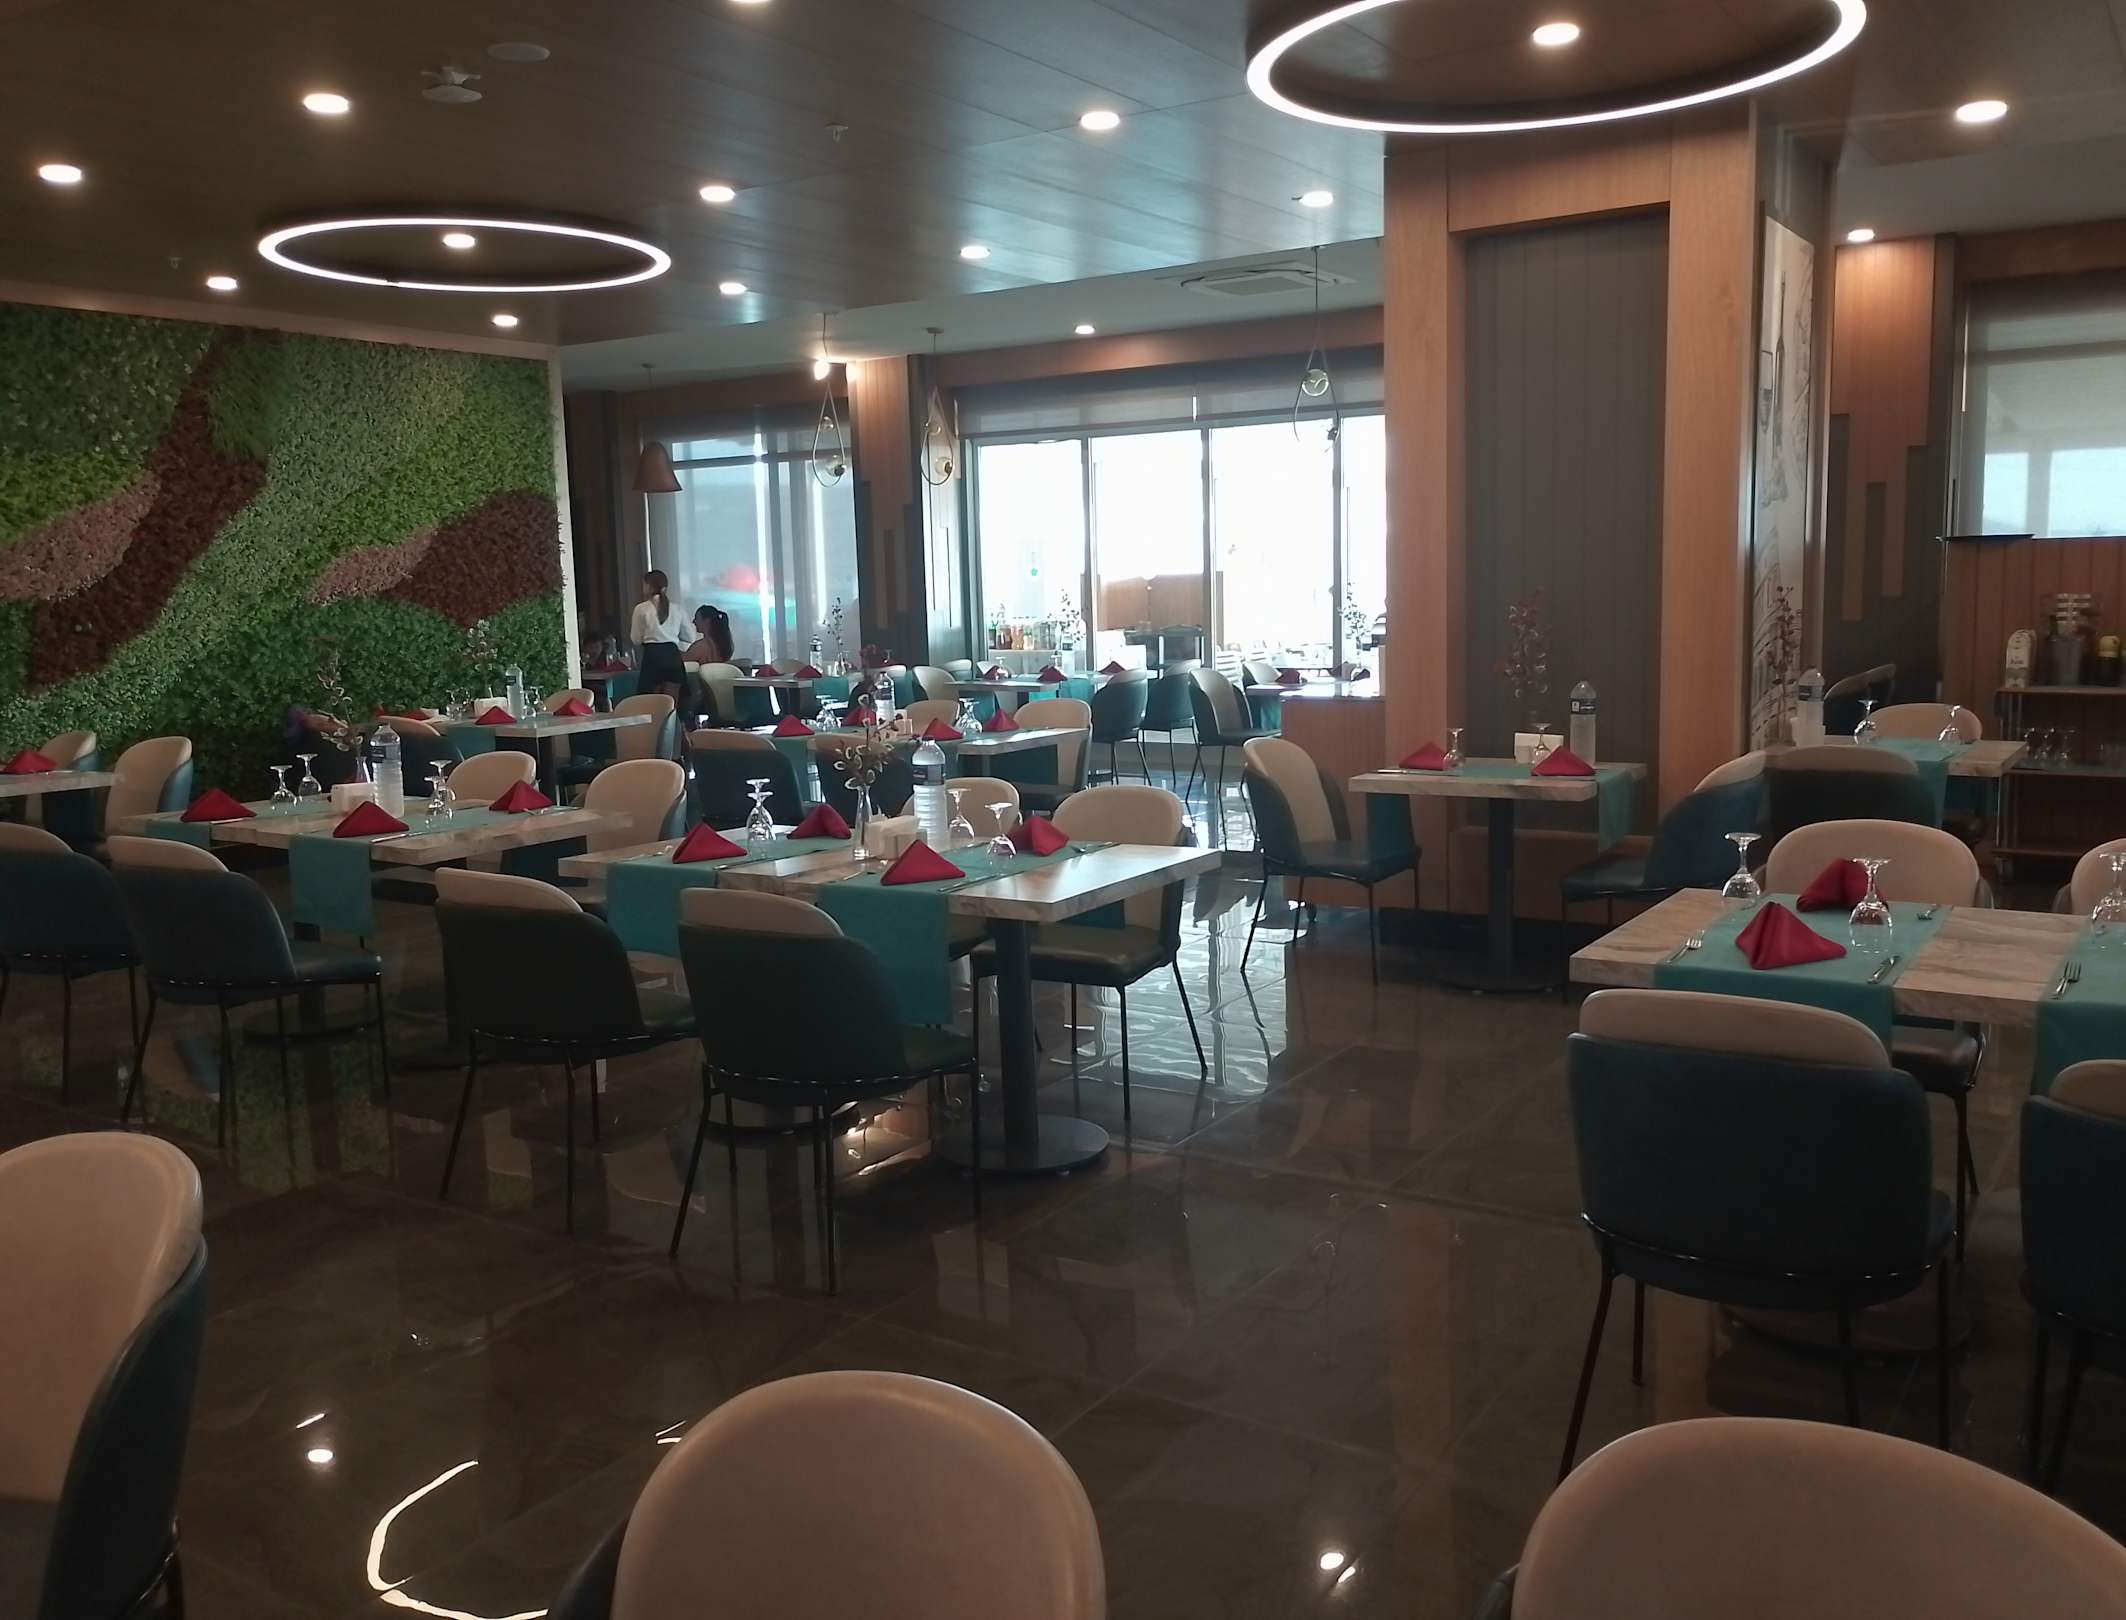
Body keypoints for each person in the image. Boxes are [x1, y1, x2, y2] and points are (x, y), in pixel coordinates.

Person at [630, 570, 693, 701]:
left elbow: (636, 639)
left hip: (653, 656)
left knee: (652, 703)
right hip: (673, 656)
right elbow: (690, 637)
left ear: (649, 586)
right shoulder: (677, 609)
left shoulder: (641, 609)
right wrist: (673, 637)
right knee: (671, 703)